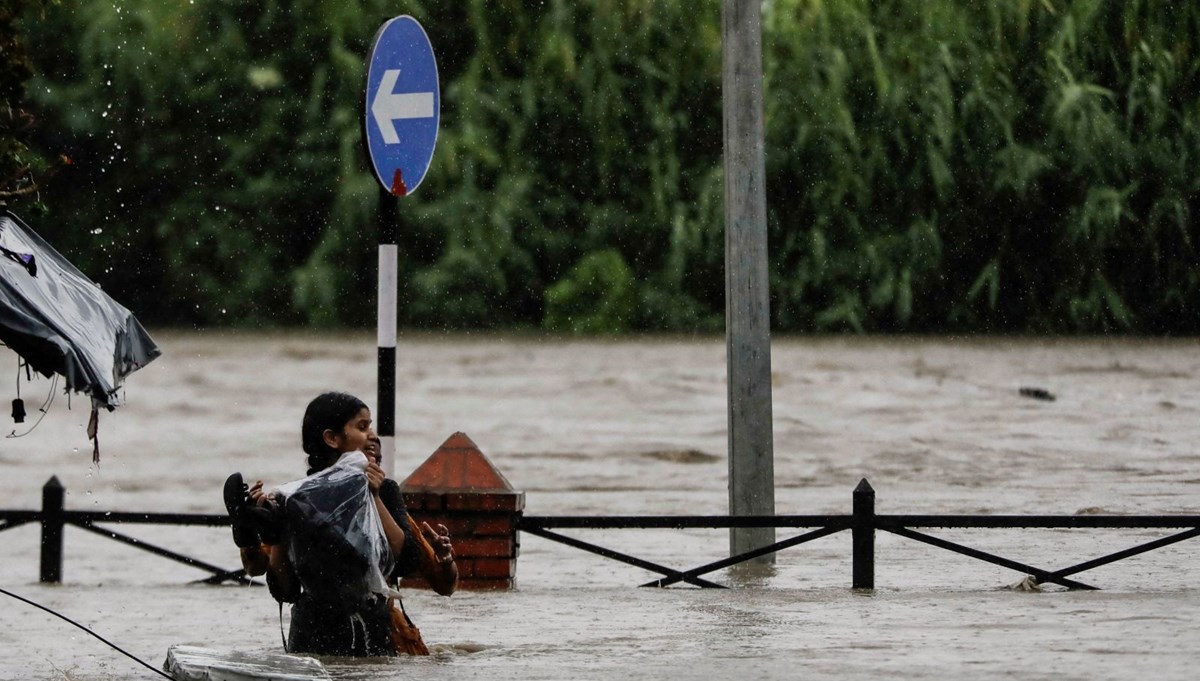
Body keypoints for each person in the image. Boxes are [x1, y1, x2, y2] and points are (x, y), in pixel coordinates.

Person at [223, 392, 457, 656]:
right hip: (316, 639)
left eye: (370, 426)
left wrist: (375, 496)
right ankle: (260, 524)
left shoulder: (383, 491)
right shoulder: (297, 500)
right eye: (362, 426)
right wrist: (277, 534)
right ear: (332, 439)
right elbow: (284, 589)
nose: (372, 435)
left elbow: (408, 560)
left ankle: (259, 522)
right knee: (282, 519)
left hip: (369, 634)